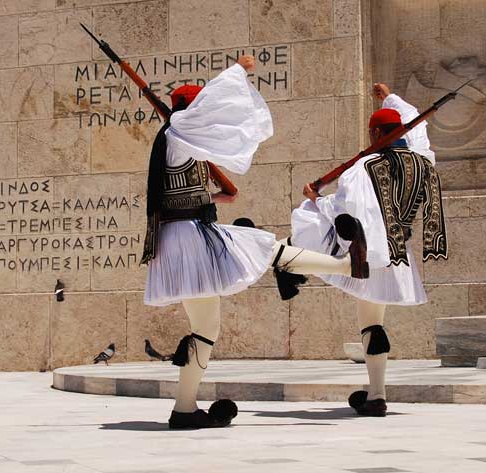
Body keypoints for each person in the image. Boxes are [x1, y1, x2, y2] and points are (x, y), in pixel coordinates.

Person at [141, 55, 369, 429]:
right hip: (187, 241)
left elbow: (177, 194)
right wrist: (238, 72)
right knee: (208, 322)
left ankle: (347, 265)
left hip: (190, 233)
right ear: (189, 112)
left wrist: (213, 198)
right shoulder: (179, 133)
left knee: (263, 250)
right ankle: (183, 409)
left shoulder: (179, 141)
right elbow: (210, 109)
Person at [288, 94, 448, 417]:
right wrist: (390, 96)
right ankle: (376, 394)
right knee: (375, 321)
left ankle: (286, 264)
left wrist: (316, 198)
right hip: (399, 255)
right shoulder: (422, 163)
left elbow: (349, 212)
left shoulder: (365, 167)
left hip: (371, 253)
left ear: (376, 136)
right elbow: (419, 133)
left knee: (369, 322)